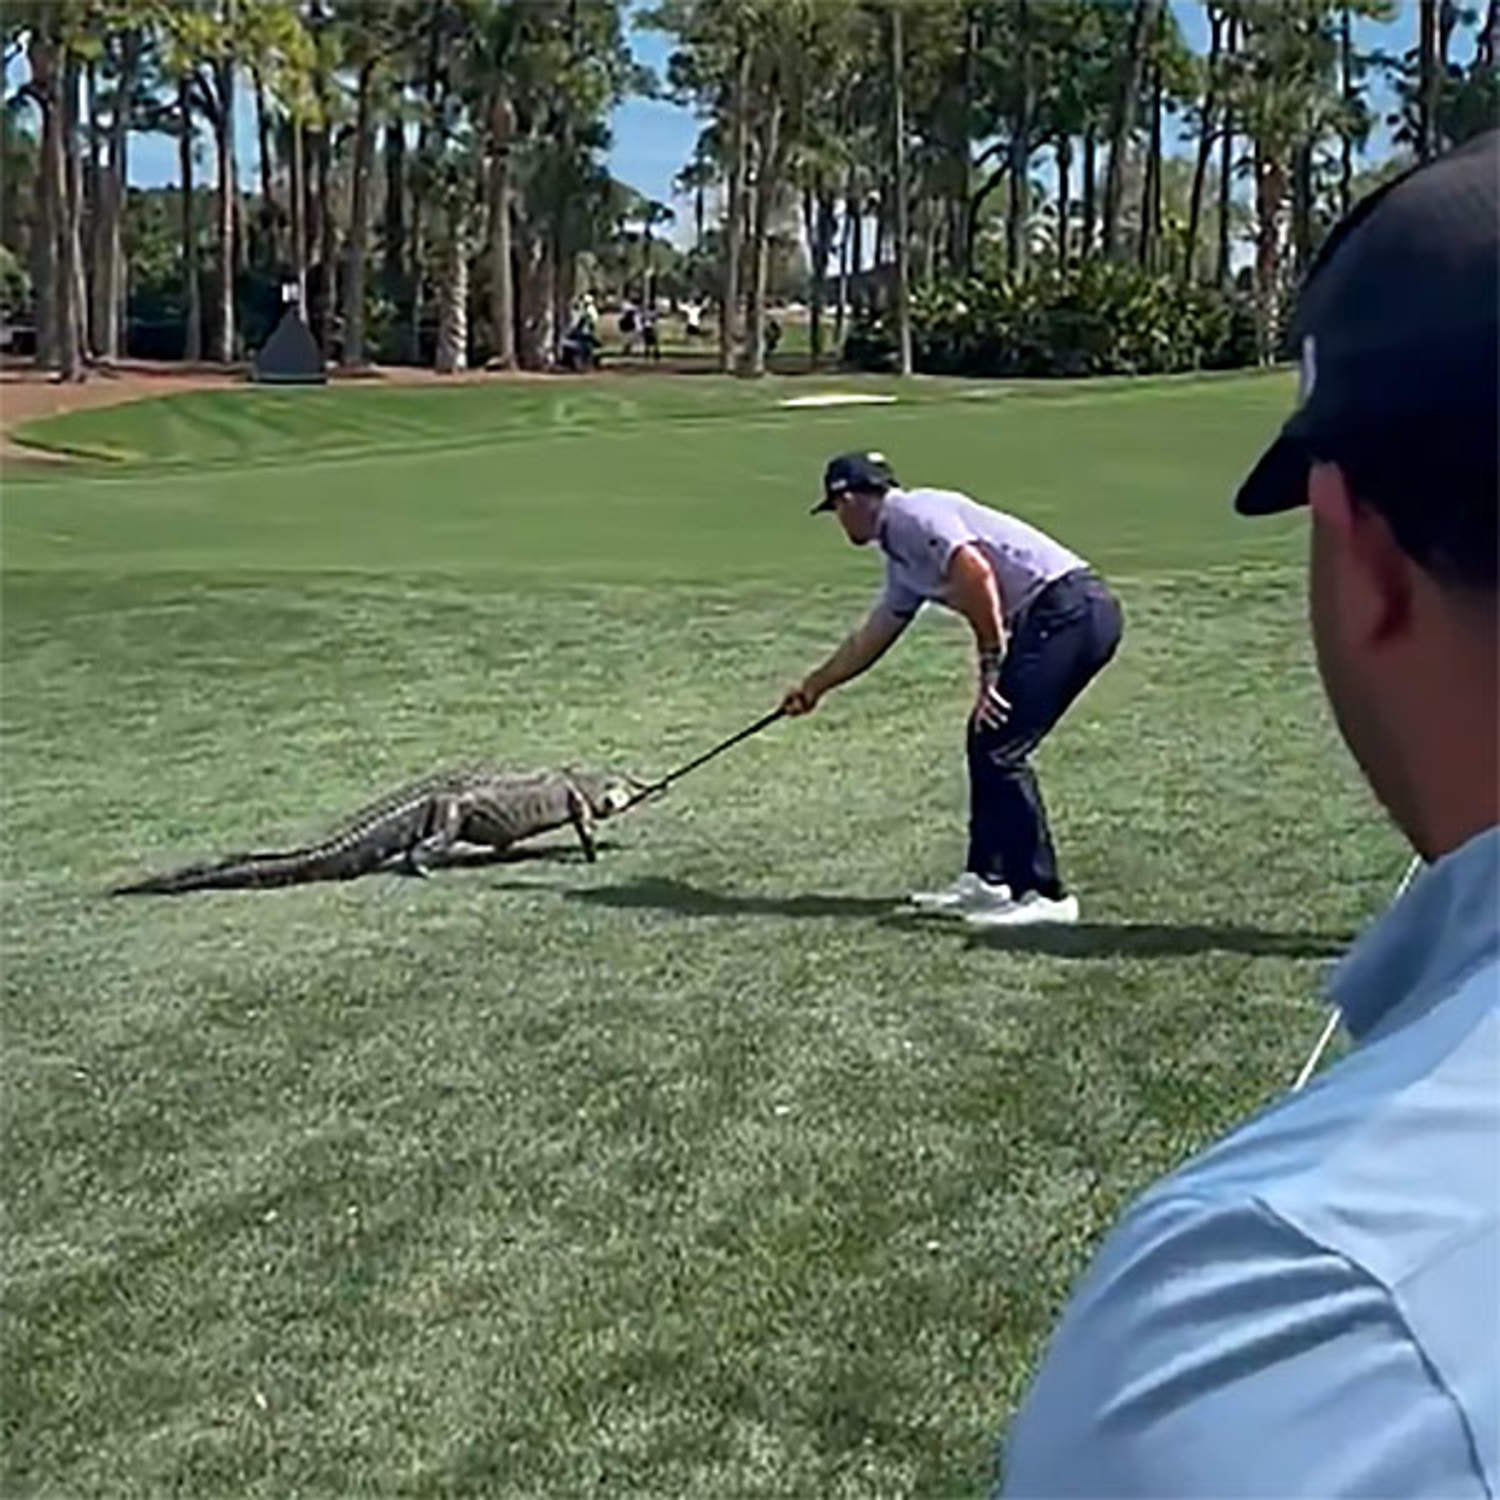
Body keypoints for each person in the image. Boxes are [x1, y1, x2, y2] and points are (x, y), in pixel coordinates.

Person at [997, 129, 1498, 1497]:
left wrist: (994, 683)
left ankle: (1024, 881)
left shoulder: (1263, 1326)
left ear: (1363, 554)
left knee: (999, 748)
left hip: (1056, 612)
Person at [780, 452, 1123, 925]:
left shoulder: (912, 514)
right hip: (1058, 616)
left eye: (836, 509)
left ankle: (1045, 895)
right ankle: (989, 879)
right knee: (986, 740)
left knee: (1000, 746)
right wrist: (815, 686)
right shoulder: (901, 555)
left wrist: (990, 667)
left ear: (850, 498)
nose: (838, 521)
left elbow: (975, 573)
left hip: (1071, 611)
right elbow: (874, 635)